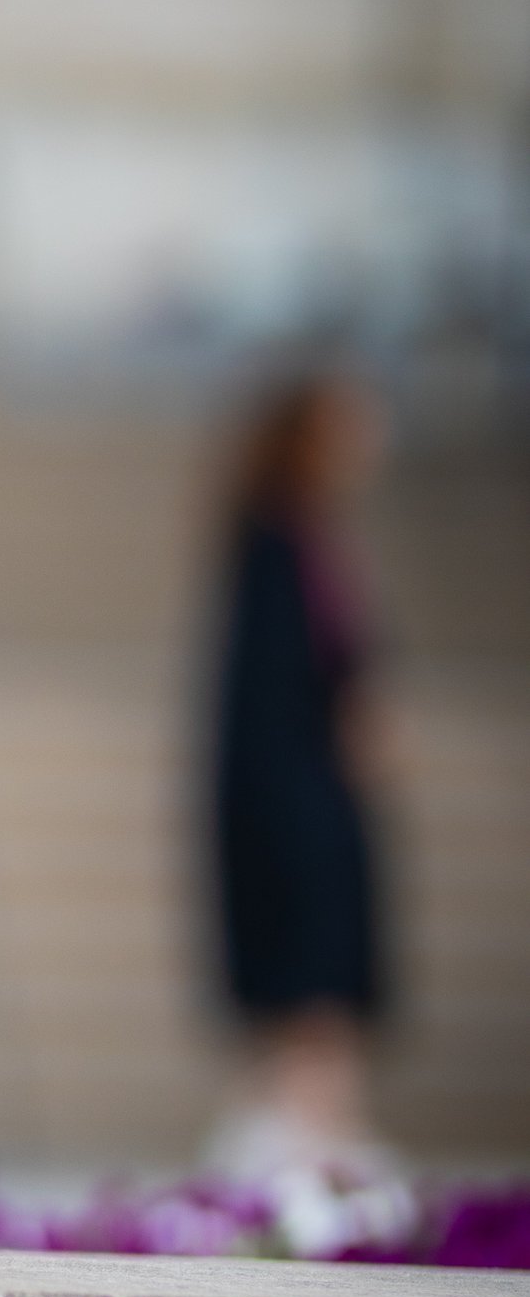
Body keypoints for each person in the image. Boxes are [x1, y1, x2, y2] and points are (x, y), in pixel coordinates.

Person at [206, 366, 394, 1175]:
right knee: (307, 999)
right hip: (299, 808)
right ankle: (306, 1150)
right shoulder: (279, 544)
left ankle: (312, 1139)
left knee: (317, 1005)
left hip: (312, 800)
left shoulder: (303, 540)